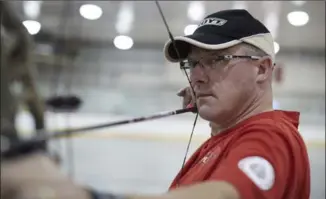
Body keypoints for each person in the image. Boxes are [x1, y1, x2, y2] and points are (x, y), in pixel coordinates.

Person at [1, 9, 310, 199]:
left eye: (217, 60)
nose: (197, 77)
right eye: (193, 65)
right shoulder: (227, 136)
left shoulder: (271, 136)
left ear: (262, 69)